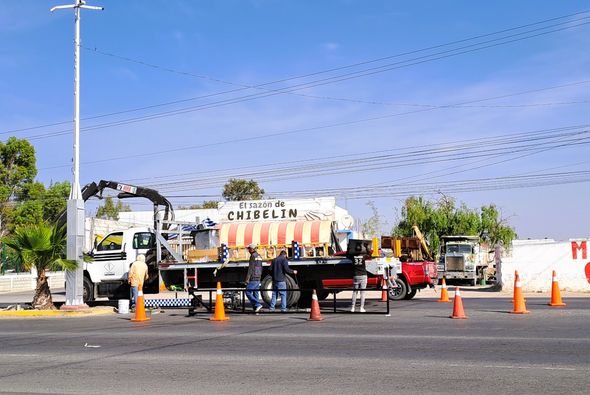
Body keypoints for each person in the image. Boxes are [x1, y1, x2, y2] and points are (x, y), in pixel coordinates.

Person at [350, 243, 369, 313]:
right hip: (363, 275)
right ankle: (361, 308)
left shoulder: (353, 256)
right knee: (362, 292)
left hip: (356, 275)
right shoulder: (363, 256)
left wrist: (349, 247)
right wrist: (366, 247)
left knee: (355, 292)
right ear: (361, 250)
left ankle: (352, 307)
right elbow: (369, 254)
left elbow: (347, 255)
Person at [245, 243, 263, 313]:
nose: (248, 250)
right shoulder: (259, 256)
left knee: (247, 292)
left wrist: (247, 279)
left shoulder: (252, 256)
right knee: (256, 293)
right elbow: (261, 267)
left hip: (253, 277)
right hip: (258, 276)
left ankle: (257, 304)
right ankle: (256, 308)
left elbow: (251, 268)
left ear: (252, 249)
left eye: (249, 248)